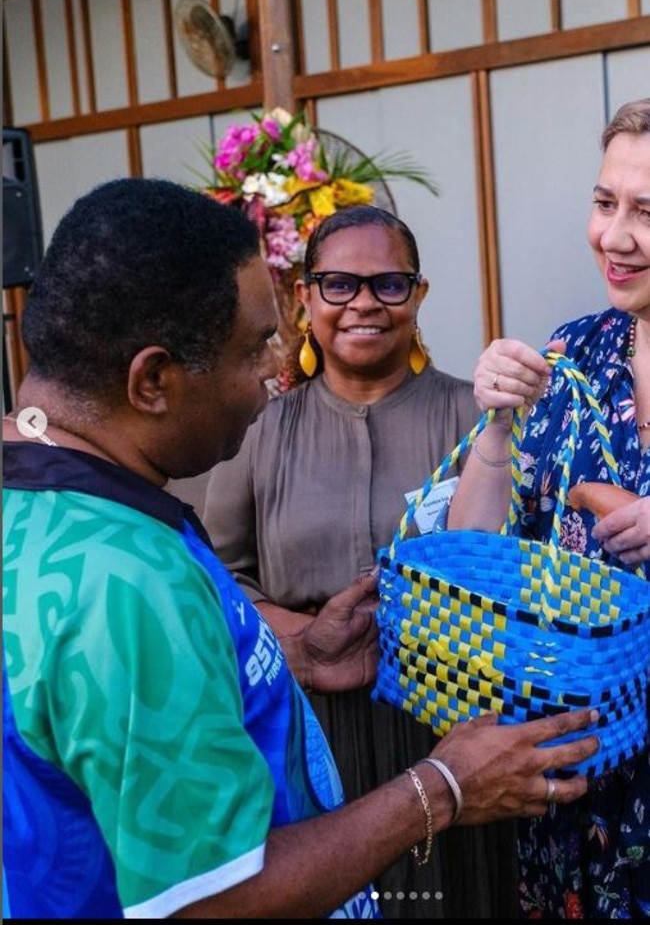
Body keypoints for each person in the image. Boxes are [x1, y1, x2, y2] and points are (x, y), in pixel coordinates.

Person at [1, 177, 602, 920]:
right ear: (153, 379)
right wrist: (442, 786)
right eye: (254, 347)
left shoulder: (60, 501)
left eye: (388, 284)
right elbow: (219, 899)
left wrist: (300, 654)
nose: (273, 369)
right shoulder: (125, 585)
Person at [200, 204, 517, 919]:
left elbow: (516, 562)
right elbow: (219, 581)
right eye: (339, 284)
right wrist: (308, 636)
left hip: (449, 728)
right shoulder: (259, 429)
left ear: (419, 295)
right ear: (304, 297)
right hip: (307, 724)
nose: (364, 302)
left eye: (388, 284)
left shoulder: (477, 419)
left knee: (452, 902)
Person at [448, 97, 650, 918]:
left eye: (648, 212)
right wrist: (495, 427)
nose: (617, 236)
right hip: (581, 778)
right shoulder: (573, 353)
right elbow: (471, 546)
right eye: (606, 202)